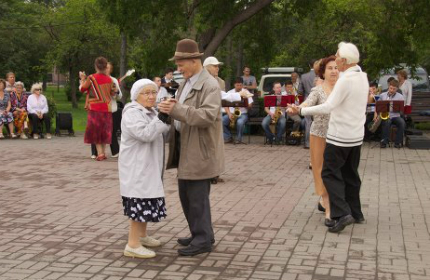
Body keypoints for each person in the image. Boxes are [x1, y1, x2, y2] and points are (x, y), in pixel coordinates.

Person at [288, 42, 369, 233]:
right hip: (356, 136)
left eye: (338, 57)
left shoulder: (345, 80)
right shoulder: (362, 77)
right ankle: (357, 213)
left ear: (345, 61)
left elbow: (327, 107)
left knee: (330, 174)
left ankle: (341, 213)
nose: (336, 59)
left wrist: (301, 110)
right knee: (351, 174)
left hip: (340, 136)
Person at [158, 38, 224, 256]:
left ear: (194, 60)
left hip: (200, 149)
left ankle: (203, 239)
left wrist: (176, 110)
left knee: (197, 198)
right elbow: (183, 109)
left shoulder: (210, 85)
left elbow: (208, 115)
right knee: (187, 195)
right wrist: (170, 109)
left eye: (180, 64)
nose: (178, 68)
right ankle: (199, 233)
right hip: (186, 147)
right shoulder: (187, 82)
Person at [119, 79, 169, 259]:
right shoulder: (132, 113)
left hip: (149, 165)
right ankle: (132, 244)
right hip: (137, 167)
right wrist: (163, 117)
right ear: (136, 95)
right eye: (146, 93)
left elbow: (162, 130)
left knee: (147, 200)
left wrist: (166, 115)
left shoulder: (151, 111)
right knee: (139, 202)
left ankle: (142, 236)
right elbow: (145, 134)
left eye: (154, 92)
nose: (151, 96)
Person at [297, 56, 339, 226]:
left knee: (336, 171)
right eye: (330, 68)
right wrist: (299, 108)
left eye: (336, 67)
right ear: (323, 72)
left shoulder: (342, 89)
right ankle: (328, 208)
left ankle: (327, 202)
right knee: (321, 170)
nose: (334, 71)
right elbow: (306, 104)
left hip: (338, 137)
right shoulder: (318, 90)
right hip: (319, 136)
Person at [79, 57, 116, 161]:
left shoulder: (91, 78)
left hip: (95, 108)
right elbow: (114, 93)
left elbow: (82, 89)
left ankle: (100, 154)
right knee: (104, 131)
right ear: (105, 67)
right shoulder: (110, 79)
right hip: (107, 108)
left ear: (96, 66)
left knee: (96, 131)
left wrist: (82, 79)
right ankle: (103, 153)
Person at [90, 62, 123, 159]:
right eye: (104, 67)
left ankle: (112, 152)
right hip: (98, 109)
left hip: (111, 109)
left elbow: (119, 96)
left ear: (110, 69)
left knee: (110, 131)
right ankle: (95, 152)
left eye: (108, 68)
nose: (106, 69)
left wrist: (116, 91)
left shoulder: (113, 80)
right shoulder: (95, 79)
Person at [222, 77, 253, 144]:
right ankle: (228, 137)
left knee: (240, 122)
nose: (239, 87)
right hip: (232, 113)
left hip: (243, 113)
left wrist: (246, 103)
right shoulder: (230, 92)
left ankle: (238, 139)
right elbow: (225, 105)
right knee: (221, 121)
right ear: (234, 85)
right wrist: (229, 114)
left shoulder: (246, 92)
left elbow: (250, 105)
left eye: (240, 85)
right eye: (237, 85)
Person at [377, 79, 405, 149]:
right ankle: (384, 142)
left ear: (397, 89)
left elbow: (402, 109)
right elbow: (378, 107)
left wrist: (399, 108)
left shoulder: (400, 96)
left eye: (394, 89)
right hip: (386, 116)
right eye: (390, 88)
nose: (392, 90)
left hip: (395, 116)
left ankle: (397, 142)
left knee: (402, 123)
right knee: (387, 122)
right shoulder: (382, 95)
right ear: (388, 87)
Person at [298, 59, 317, 149]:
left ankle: (307, 143)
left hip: (307, 101)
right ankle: (318, 143)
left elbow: (300, 91)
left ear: (309, 65)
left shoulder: (304, 76)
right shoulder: (320, 75)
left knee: (308, 122)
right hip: (318, 101)